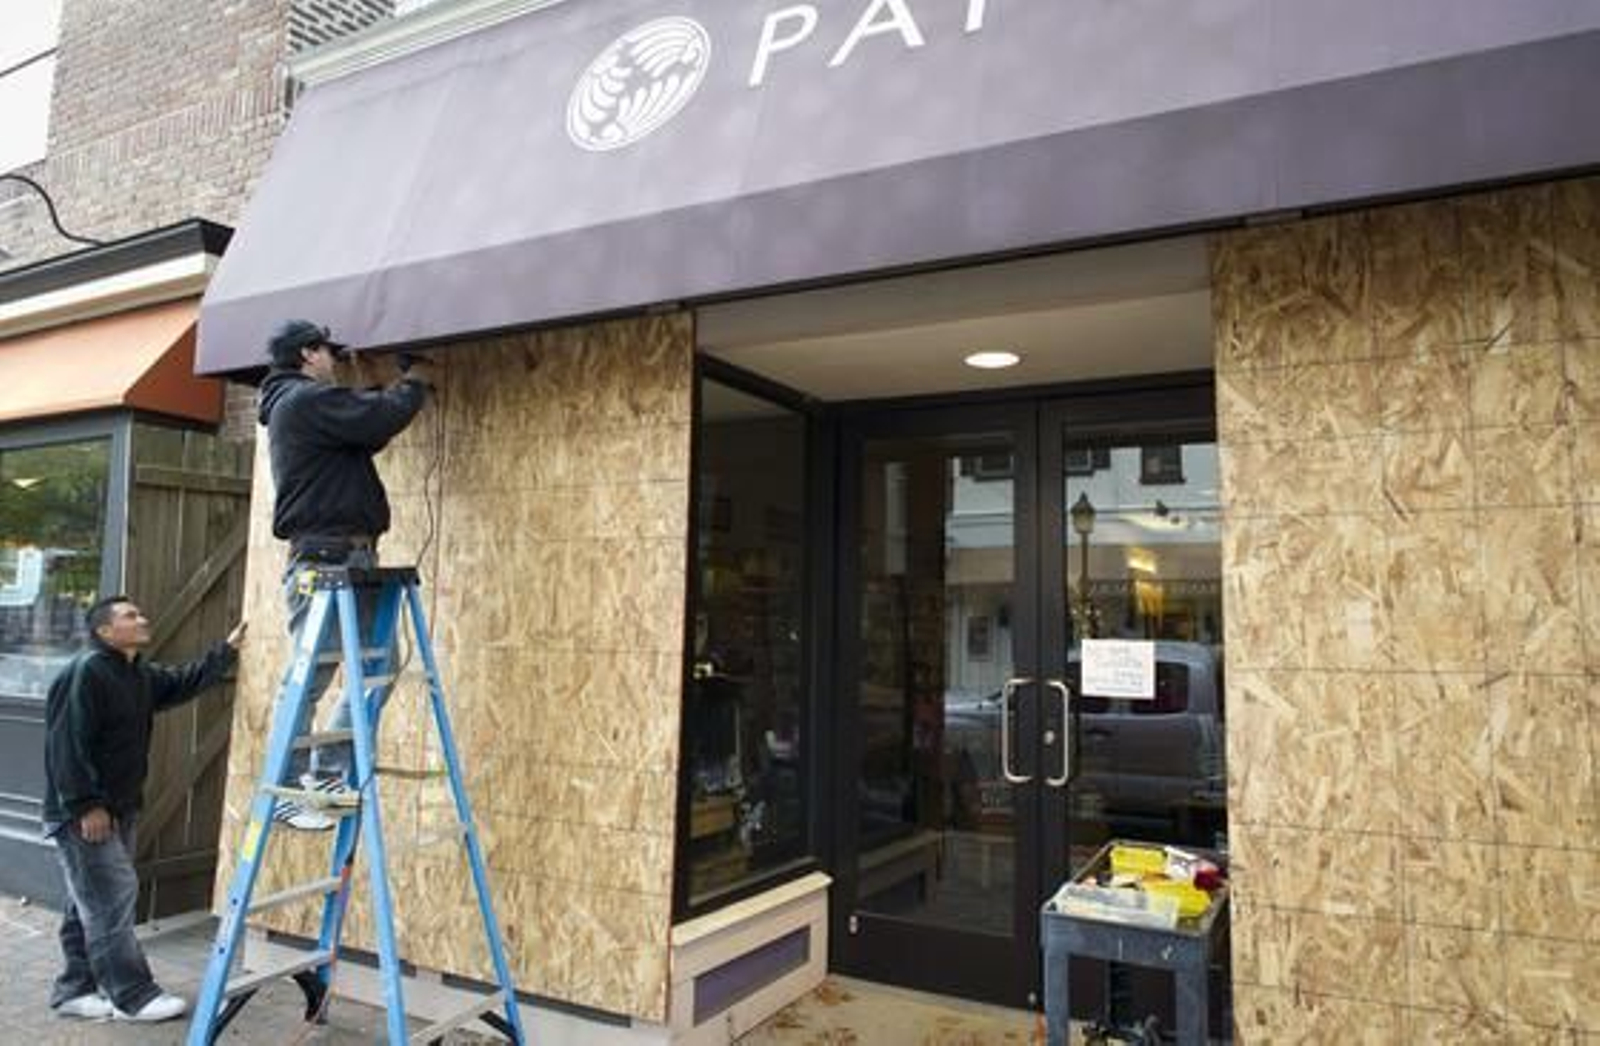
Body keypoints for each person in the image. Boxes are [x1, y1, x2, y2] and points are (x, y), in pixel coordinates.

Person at [257, 319, 435, 829]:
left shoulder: (303, 408)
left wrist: (387, 396)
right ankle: (288, 788)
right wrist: (414, 380)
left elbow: (364, 429)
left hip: (350, 559)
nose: (335, 360)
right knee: (312, 672)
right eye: (328, 352)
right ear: (308, 354)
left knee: (382, 661)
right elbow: (376, 419)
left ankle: (329, 768)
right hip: (326, 560)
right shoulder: (303, 400)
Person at [42, 597, 246, 1023]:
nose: (142, 618)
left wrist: (224, 653)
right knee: (112, 898)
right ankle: (131, 995)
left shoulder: (135, 674)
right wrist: (87, 805)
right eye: (130, 615)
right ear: (104, 631)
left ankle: (74, 991)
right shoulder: (86, 673)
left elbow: (181, 682)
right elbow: (65, 748)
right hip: (85, 814)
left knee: (90, 903)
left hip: (119, 809)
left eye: (140, 612)